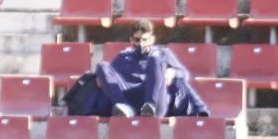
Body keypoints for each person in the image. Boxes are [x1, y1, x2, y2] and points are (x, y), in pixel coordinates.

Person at [81, 19, 209, 118]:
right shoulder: (124, 56)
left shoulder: (162, 54)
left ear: (152, 39)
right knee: (102, 66)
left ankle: (150, 107)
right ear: (131, 40)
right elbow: (110, 76)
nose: (140, 43)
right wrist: (102, 79)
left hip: (155, 100)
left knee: (155, 59)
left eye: (144, 39)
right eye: (137, 39)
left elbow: (184, 75)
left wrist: (173, 72)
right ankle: (125, 107)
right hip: (129, 99)